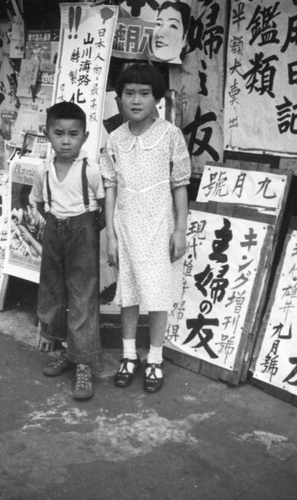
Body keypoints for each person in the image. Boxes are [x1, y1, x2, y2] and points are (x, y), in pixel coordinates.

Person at [100, 63, 191, 393]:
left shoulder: (170, 135)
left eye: (144, 94)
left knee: (157, 295)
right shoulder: (115, 139)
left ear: (157, 99)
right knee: (127, 294)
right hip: (125, 227)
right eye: (129, 94)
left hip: (159, 226)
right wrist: (110, 234)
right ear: (119, 98)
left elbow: (180, 184)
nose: (135, 100)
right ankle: (128, 355)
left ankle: (154, 357)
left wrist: (180, 230)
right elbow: (110, 187)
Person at [31, 101, 105, 401]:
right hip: (53, 231)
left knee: (82, 297)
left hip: (82, 232)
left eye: (73, 134)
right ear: (47, 134)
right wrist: (55, 223)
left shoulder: (90, 170)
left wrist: (84, 230)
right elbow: (38, 203)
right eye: (58, 133)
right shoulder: (43, 171)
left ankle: (83, 363)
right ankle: (64, 351)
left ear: (84, 137)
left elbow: (102, 206)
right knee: (53, 292)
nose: (65, 140)